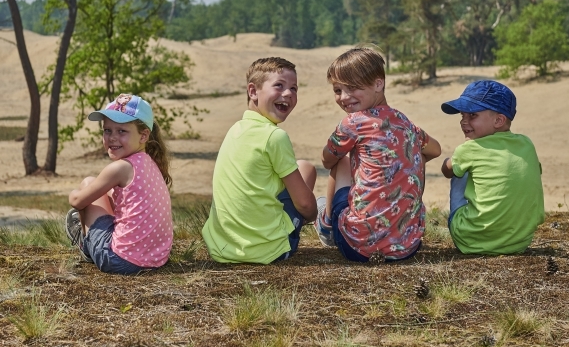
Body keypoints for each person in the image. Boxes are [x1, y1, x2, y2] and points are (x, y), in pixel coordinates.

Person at [314, 46, 442, 262]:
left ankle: (327, 225)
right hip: (407, 247)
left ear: (378, 84)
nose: (344, 97)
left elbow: (327, 160)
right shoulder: (405, 123)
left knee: (341, 160)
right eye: (337, 90)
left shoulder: (352, 123)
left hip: (357, 246)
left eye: (353, 88)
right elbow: (436, 149)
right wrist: (403, 162)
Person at [202, 57, 318, 263]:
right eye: (279, 85)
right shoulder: (275, 137)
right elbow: (305, 205)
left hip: (221, 248)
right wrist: (312, 216)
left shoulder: (235, 129)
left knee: (298, 169)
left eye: (294, 88)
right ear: (253, 91)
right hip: (268, 251)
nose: (288, 93)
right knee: (307, 169)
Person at [65, 93, 173, 274]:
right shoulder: (150, 163)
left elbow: (77, 201)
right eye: (107, 130)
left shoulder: (121, 168)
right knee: (105, 192)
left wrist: (74, 193)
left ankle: (87, 246)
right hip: (156, 258)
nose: (112, 137)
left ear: (143, 136)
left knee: (88, 183)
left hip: (119, 260)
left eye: (121, 131)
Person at [440, 80, 544, 255]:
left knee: (459, 172)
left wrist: (453, 158)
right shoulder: (527, 144)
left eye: (472, 115)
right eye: (462, 116)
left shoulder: (469, 149)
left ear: (498, 120)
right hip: (520, 242)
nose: (464, 122)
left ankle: (471, 226)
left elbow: (446, 171)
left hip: (470, 241)